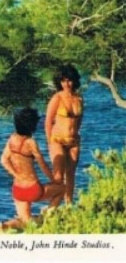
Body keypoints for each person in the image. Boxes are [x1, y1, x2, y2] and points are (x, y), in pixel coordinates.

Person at [0, 108, 63, 230]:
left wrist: (16, 175)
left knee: (25, 221)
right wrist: (54, 180)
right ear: (31, 125)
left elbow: (3, 160)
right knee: (62, 189)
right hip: (32, 188)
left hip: (17, 189)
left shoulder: (12, 139)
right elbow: (43, 165)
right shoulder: (30, 142)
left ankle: (6, 226)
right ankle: (48, 217)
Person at [45, 64, 84, 204]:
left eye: (69, 80)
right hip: (57, 140)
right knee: (58, 176)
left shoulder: (79, 99)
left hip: (73, 141)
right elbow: (48, 121)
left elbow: (79, 119)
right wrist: (50, 142)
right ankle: (53, 206)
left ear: (74, 81)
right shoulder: (57, 98)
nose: (66, 84)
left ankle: (68, 205)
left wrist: (76, 134)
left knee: (71, 175)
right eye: (63, 80)